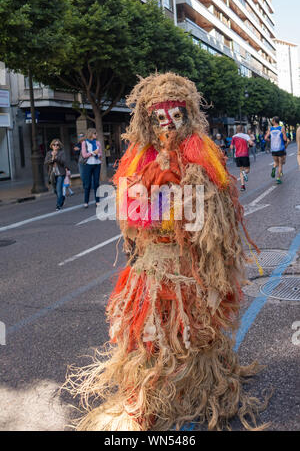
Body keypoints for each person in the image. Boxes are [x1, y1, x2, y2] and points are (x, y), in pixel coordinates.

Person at [66, 73, 268, 432]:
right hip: (153, 262)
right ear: (147, 119)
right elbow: (131, 214)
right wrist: (164, 205)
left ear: (187, 115)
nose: (168, 125)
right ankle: (152, 393)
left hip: (187, 263)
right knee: (150, 333)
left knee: (193, 329)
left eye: (175, 116)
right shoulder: (138, 157)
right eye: (160, 117)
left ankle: (192, 385)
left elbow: (215, 214)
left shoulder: (200, 153)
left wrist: (193, 196)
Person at [80, 128, 102, 208]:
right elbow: (84, 155)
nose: (96, 135)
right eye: (95, 133)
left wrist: (97, 154)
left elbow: (101, 154)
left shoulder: (98, 143)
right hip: (88, 165)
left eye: (96, 133)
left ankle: (97, 201)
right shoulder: (84, 143)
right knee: (87, 184)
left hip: (97, 164)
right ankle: (86, 201)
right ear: (90, 134)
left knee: (96, 183)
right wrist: (93, 153)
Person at [230, 125, 255, 191]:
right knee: (247, 170)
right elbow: (251, 143)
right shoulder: (246, 136)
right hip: (245, 154)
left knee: (241, 170)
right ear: (243, 130)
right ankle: (244, 173)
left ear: (236, 130)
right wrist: (251, 143)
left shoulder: (234, 137)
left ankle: (242, 186)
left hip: (237, 155)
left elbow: (231, 147)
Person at [44, 139, 66, 211]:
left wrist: (56, 158)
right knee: (55, 190)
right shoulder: (49, 153)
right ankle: (62, 198)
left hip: (60, 173)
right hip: (52, 174)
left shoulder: (61, 153)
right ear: (51, 146)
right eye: (54, 145)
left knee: (59, 189)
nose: (55, 146)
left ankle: (58, 205)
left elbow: (63, 162)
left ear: (59, 146)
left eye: (57, 145)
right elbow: (46, 163)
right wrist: (52, 159)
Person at [265, 117, 288, 184]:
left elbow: (266, 138)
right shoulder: (281, 128)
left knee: (276, 162)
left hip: (273, 149)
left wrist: (271, 140)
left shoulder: (270, 128)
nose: (272, 121)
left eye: (272, 120)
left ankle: (274, 168)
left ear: (274, 121)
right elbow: (285, 139)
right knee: (280, 164)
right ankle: (278, 179)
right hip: (280, 148)